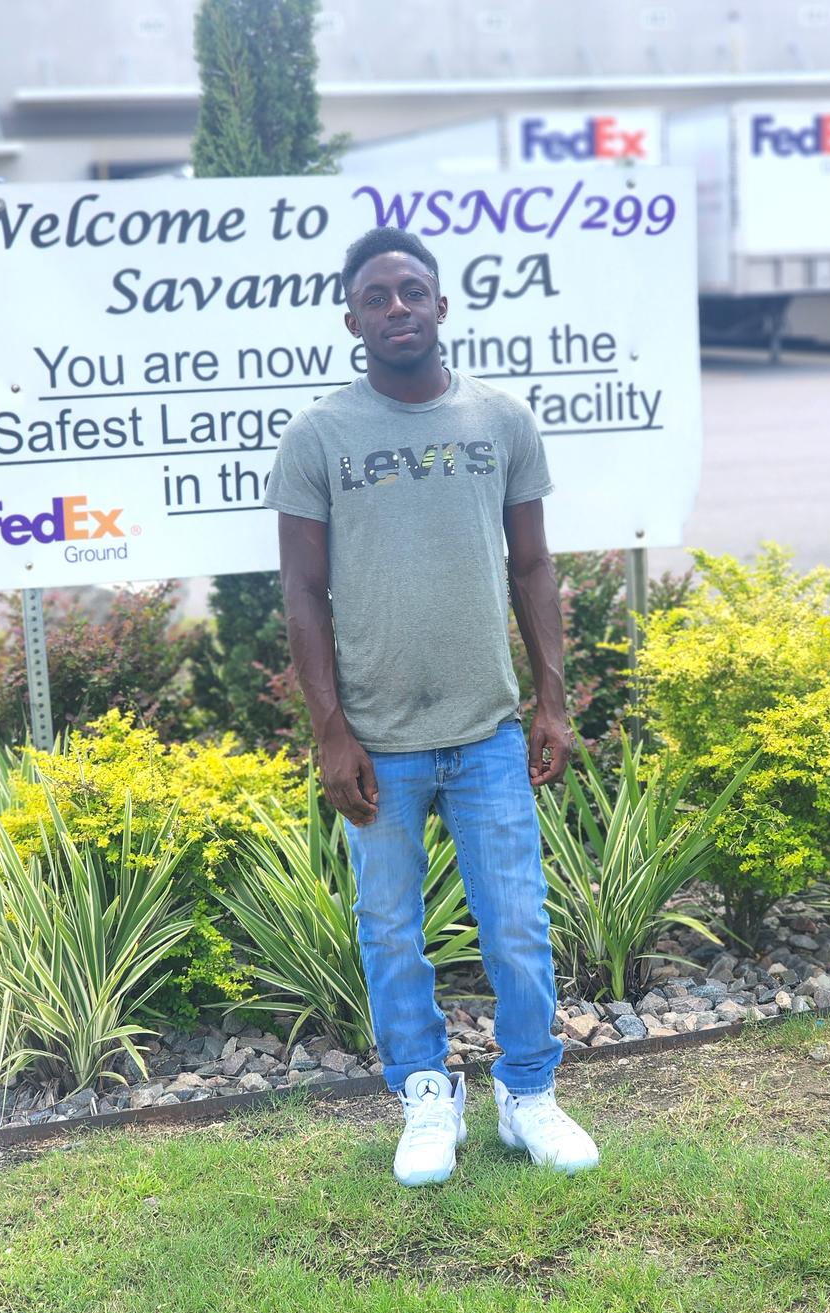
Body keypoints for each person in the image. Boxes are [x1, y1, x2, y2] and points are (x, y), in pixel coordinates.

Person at [263, 226, 600, 1187]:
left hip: (489, 729)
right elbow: (302, 594)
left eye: (412, 290)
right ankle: (424, 1092)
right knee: (389, 930)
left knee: (519, 926)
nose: (397, 307)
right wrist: (331, 732)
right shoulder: (319, 436)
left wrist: (551, 703)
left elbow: (531, 566)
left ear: (442, 305)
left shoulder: (500, 419)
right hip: (379, 741)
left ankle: (527, 1092)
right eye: (376, 297)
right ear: (353, 322)